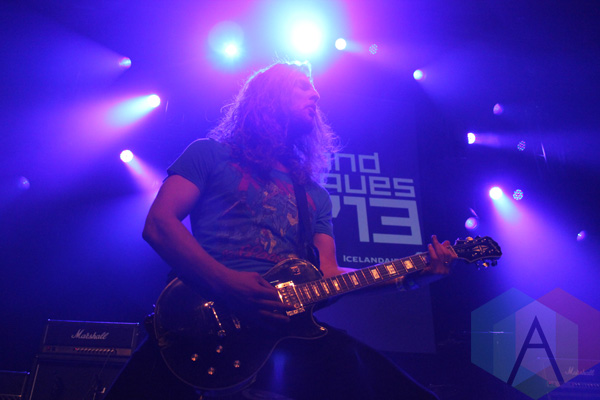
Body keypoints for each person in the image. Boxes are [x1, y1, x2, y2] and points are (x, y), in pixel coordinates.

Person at [105, 60, 456, 400]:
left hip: (282, 328)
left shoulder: (314, 195)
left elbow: (329, 274)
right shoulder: (209, 154)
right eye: (303, 86)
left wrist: (413, 275)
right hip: (201, 317)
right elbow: (159, 224)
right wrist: (227, 283)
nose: (316, 95)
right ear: (269, 97)